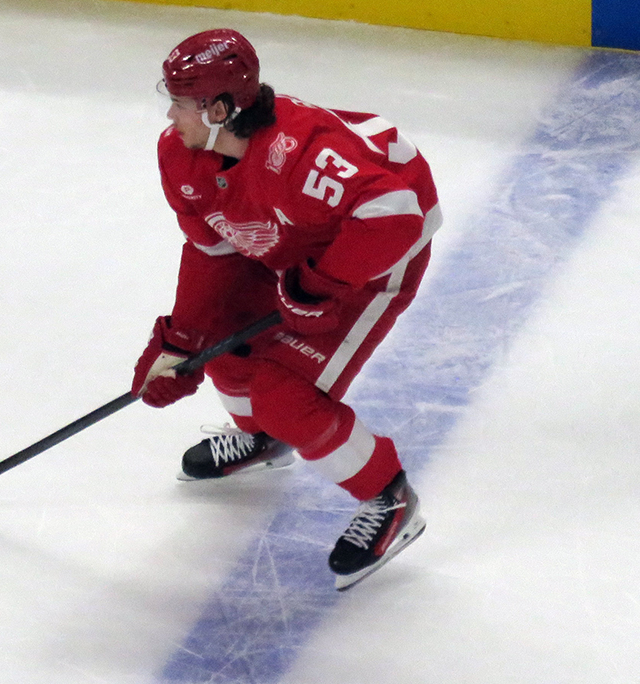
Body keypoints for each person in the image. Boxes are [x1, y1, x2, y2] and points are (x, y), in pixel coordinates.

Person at [131, 29, 441, 590]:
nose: (169, 114)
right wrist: (180, 341)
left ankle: (391, 501)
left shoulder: (300, 154)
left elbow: (396, 214)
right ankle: (262, 438)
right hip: (293, 238)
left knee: (285, 397)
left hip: (370, 254)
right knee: (219, 330)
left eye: (180, 102)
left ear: (221, 109)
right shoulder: (181, 155)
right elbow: (212, 252)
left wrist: (321, 285)